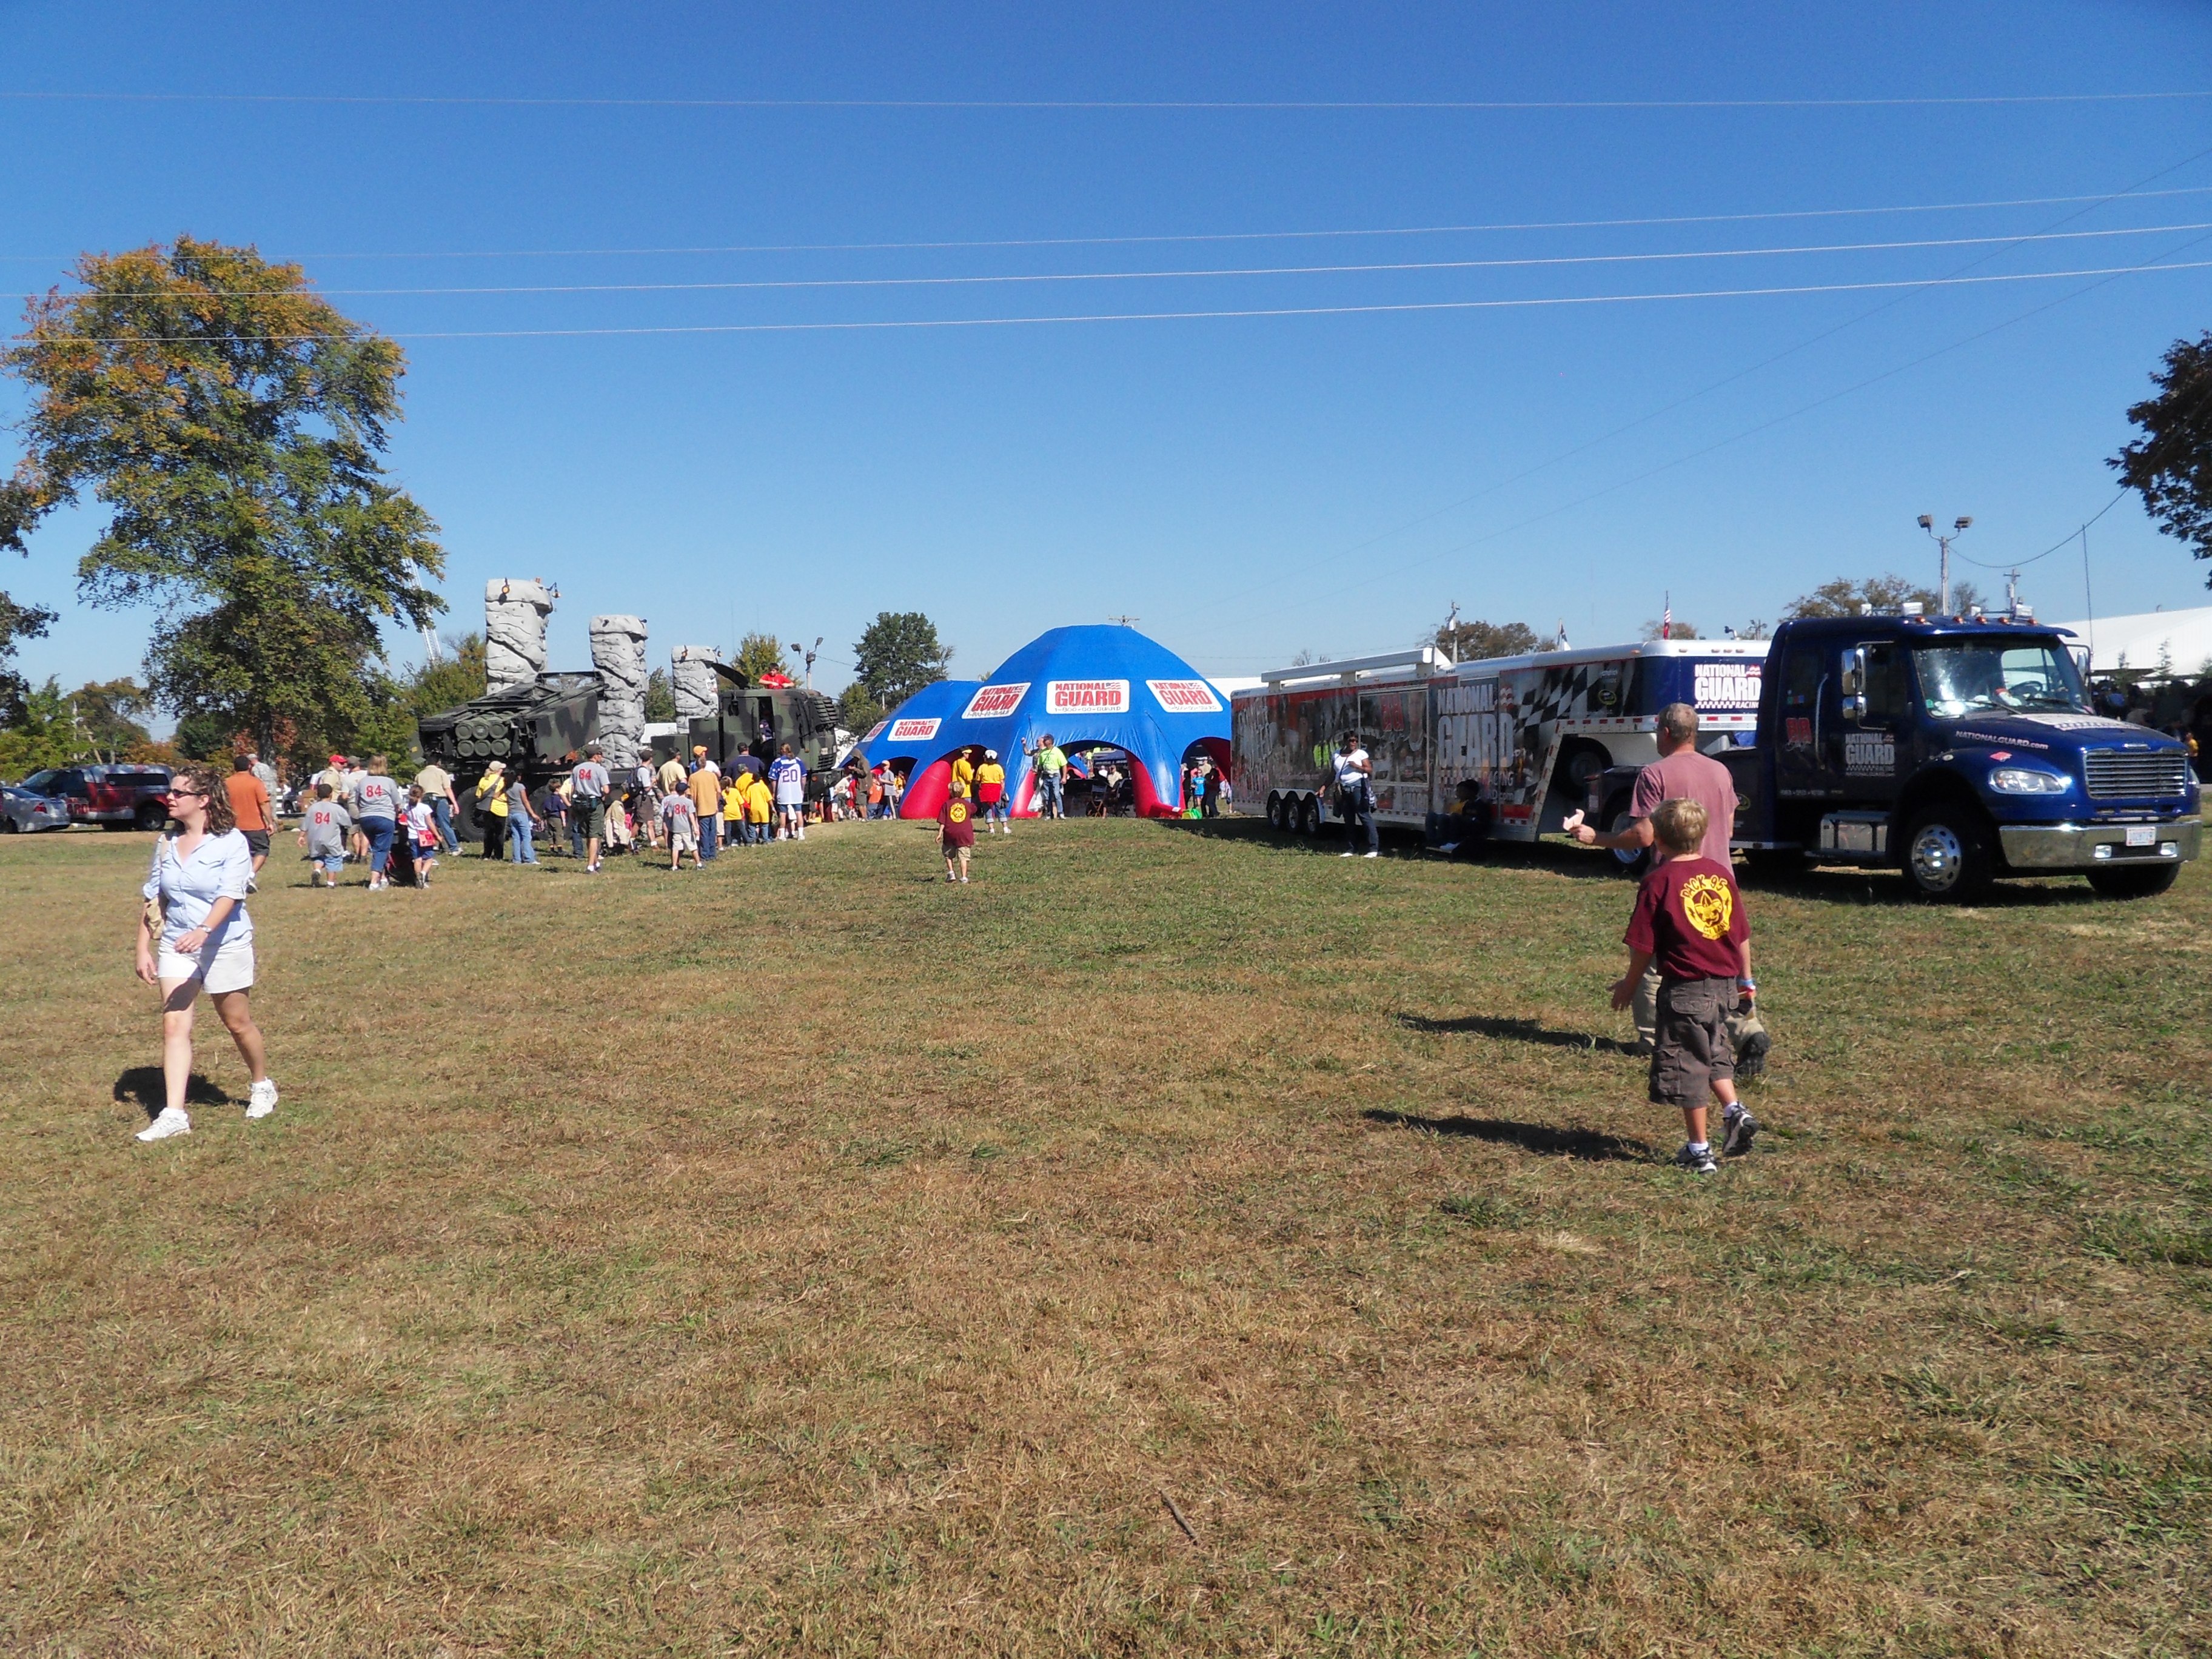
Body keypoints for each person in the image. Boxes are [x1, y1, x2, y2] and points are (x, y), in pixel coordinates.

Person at [1570, 702, 1737, 1051]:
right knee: (1714, 961)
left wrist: (1596, 838)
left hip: (1673, 883)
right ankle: (1728, 1030)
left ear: (1666, 732)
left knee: (1651, 962)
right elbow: (1730, 828)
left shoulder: (1654, 774)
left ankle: (1650, 1039)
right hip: (1719, 883)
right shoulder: (1721, 771)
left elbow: (1643, 835)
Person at [1611, 797, 1757, 1174]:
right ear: (1702, 835)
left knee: (1689, 1065)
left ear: (1658, 839)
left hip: (1685, 989)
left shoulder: (1658, 881)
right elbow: (1740, 933)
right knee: (1715, 1051)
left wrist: (1629, 986)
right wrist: (1746, 979)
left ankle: (1699, 1150)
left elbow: (1644, 947)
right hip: (1724, 986)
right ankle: (1734, 1110)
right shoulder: (1720, 874)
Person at [132, 765, 276, 1141]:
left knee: (237, 1022)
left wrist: (204, 930)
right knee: (174, 1026)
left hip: (224, 943)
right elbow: (154, 898)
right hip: (177, 944)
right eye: (171, 792)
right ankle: (174, 1114)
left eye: (179, 793)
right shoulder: (166, 842)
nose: (170, 798)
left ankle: (262, 1085)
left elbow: (231, 894)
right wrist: (142, 947)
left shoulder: (231, 842)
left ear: (203, 800)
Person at [224, 753, 274, 885]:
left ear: (234, 767)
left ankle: (236, 878)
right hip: (255, 825)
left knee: (235, 854)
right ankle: (251, 874)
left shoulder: (226, 783)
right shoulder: (256, 783)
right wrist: (270, 822)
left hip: (232, 825)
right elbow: (264, 803)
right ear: (250, 766)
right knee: (261, 850)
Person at [355, 754, 402, 891]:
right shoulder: (389, 782)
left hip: (366, 818)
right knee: (382, 850)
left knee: (377, 848)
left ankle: (383, 878)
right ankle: (374, 882)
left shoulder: (362, 782)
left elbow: (357, 801)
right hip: (384, 817)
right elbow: (397, 803)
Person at [299, 782, 350, 888]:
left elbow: (306, 824)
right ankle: (330, 883)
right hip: (331, 838)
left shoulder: (313, 808)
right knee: (333, 858)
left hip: (315, 839)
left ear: (317, 794)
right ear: (331, 794)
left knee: (318, 857)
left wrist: (301, 836)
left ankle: (317, 870)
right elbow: (347, 822)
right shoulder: (336, 808)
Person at [1334, 734, 1378, 858]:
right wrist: (1323, 787)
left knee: (1364, 815)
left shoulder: (1361, 754)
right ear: (1344, 741)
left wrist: (1357, 766)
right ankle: (1352, 849)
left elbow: (1369, 770)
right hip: (1343, 789)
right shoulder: (1337, 754)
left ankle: (1373, 848)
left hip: (1358, 787)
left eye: (1356, 741)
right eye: (1351, 740)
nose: (1354, 743)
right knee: (1348, 819)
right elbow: (1333, 772)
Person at [571, 741, 611, 873]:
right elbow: (606, 790)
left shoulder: (577, 769)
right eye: (601, 754)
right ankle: (590, 866)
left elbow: (572, 788)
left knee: (588, 834)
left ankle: (596, 862)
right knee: (595, 835)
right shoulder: (600, 770)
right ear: (595, 755)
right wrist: (602, 794)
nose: (602, 757)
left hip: (580, 804)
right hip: (595, 804)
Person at [414, 756, 461, 853]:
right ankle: (454, 848)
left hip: (425, 799)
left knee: (429, 824)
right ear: (438, 763)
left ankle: (431, 845)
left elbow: (416, 791)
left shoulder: (420, 775)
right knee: (445, 824)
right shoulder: (441, 773)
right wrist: (455, 804)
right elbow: (447, 789)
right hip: (439, 798)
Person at [939, 778, 976, 882]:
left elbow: (942, 821)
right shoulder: (967, 804)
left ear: (950, 792)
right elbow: (974, 809)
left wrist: (940, 833)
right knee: (963, 856)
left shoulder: (947, 804)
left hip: (950, 833)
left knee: (948, 854)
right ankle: (964, 877)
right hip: (965, 834)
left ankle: (951, 873)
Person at [688, 754, 723, 860]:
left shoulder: (693, 777)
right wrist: (716, 802)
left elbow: (691, 795)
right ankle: (712, 854)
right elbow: (719, 791)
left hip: (701, 808)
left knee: (704, 833)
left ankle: (704, 854)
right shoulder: (712, 776)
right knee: (713, 832)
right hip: (712, 807)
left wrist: (692, 808)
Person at [406, 785, 441, 888]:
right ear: (422, 795)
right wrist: (438, 835)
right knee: (429, 858)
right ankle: (424, 873)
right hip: (425, 835)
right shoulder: (425, 808)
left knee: (417, 859)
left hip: (412, 835)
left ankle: (419, 879)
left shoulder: (407, 807)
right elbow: (430, 823)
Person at [474, 760, 510, 862]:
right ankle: (498, 855)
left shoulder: (484, 780)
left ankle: (487, 854)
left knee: (488, 832)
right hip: (501, 809)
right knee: (500, 833)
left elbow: (478, 795)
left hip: (487, 808)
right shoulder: (503, 781)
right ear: (498, 770)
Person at [661, 780, 701, 870]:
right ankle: (699, 864)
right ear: (685, 791)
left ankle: (674, 866)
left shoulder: (672, 802)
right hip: (687, 828)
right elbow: (691, 815)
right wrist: (695, 827)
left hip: (676, 828)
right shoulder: (689, 802)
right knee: (693, 847)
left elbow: (670, 815)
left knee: (676, 848)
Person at [769, 743, 807, 840]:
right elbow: (803, 777)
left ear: (782, 750)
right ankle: (801, 834)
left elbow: (773, 779)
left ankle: (782, 835)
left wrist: (774, 792)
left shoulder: (777, 762)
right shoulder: (798, 761)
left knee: (783, 813)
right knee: (799, 812)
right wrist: (802, 789)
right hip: (796, 790)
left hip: (783, 790)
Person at [506, 770, 545, 865]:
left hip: (512, 813)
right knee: (526, 836)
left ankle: (517, 859)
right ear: (518, 777)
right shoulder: (520, 787)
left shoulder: (507, 787)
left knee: (516, 837)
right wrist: (533, 814)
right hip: (521, 813)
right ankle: (529, 858)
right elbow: (525, 801)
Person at [1027, 734, 1068, 819]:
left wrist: (1064, 777)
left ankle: (1061, 813)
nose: (1045, 742)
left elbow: (1064, 764)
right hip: (1046, 776)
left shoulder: (1057, 751)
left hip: (1055, 775)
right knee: (1047, 796)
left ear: (1050, 742)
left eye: (1046, 740)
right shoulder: (1042, 752)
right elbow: (1040, 765)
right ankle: (1049, 814)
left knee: (1056, 794)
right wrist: (1037, 771)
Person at [974, 749, 1008, 834]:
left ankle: (991, 829)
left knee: (987, 810)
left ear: (985, 758)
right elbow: (1002, 781)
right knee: (1000, 808)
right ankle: (1005, 828)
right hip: (996, 789)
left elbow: (977, 780)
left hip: (985, 790)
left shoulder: (982, 767)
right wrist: (1002, 791)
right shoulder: (998, 767)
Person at [744, 768, 773, 843]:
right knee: (765, 825)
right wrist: (773, 808)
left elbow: (747, 801)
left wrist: (747, 810)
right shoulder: (764, 787)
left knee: (752, 825)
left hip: (754, 808)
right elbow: (769, 799)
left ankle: (753, 839)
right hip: (763, 809)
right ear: (760, 779)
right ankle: (765, 839)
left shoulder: (750, 788)